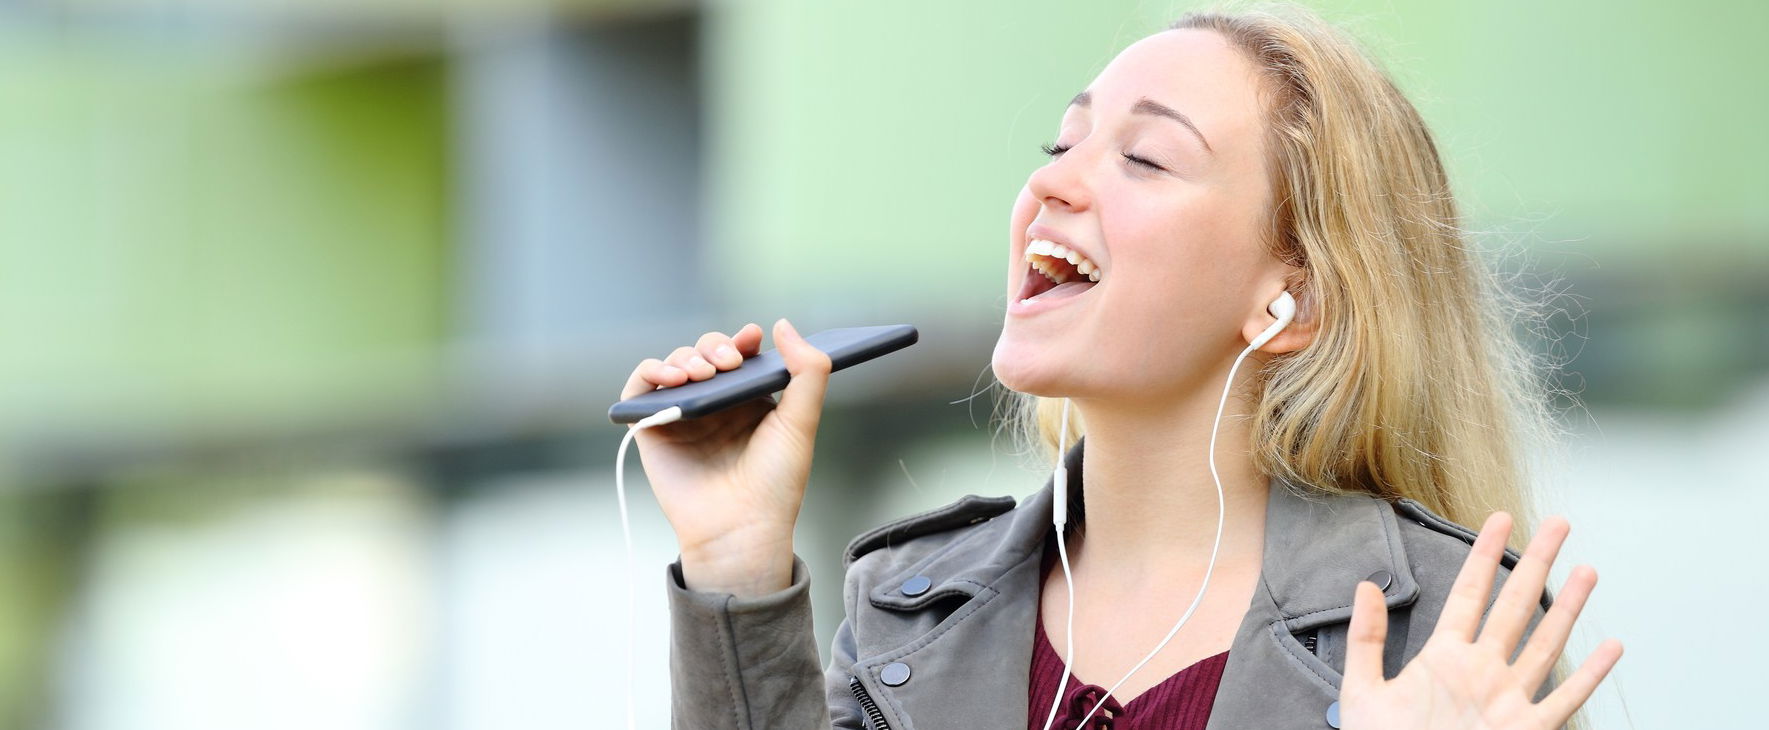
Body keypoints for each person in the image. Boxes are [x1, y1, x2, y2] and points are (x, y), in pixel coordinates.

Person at [618, 3, 1623, 728]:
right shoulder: (911, 612)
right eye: (1059, 142)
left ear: (1296, 297)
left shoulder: (1443, 626)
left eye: (1142, 160)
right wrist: (737, 566)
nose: (1051, 181)